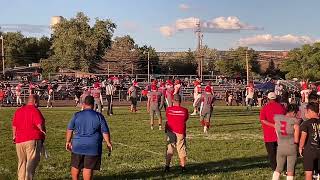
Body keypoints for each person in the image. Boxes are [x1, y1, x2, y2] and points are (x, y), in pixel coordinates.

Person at [66, 95, 112, 180]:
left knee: (75, 165)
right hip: (93, 146)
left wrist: (68, 141)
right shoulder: (99, 116)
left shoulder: (77, 115)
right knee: (88, 168)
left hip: (77, 145)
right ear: (93, 104)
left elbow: (70, 129)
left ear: (83, 104)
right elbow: (105, 131)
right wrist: (108, 143)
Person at [12, 95, 46, 180]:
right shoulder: (35, 110)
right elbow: (39, 124)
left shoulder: (18, 110)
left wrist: (14, 136)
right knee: (31, 165)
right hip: (32, 139)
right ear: (35, 101)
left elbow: (14, 125)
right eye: (38, 100)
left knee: (22, 163)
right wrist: (43, 132)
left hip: (19, 140)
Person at [272, 104, 300, 180]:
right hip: (291, 146)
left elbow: (276, 132)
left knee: (278, 168)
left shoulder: (278, 119)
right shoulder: (294, 122)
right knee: (290, 169)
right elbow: (296, 139)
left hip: (280, 146)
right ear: (294, 112)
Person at [259, 92, 286, 171]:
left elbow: (263, 120)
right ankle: (283, 167)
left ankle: (275, 169)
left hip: (269, 135)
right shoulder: (281, 107)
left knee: (272, 154)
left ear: (268, 99)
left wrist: (273, 125)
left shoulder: (265, 107)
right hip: (281, 133)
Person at [165, 94, 189, 173]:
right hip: (180, 131)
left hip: (171, 131)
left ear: (172, 100)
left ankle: (167, 166)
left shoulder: (168, 109)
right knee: (181, 148)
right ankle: (183, 167)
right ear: (180, 101)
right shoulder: (185, 110)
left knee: (170, 149)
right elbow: (185, 119)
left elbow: (168, 118)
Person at [299, 102, 320, 180]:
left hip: (309, 150)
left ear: (310, 111)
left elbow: (303, 137)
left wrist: (300, 147)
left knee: (309, 172)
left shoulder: (306, 123)